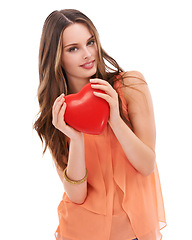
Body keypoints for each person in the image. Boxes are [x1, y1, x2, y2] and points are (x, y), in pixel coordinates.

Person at [34, 9, 166, 240]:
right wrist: (75, 138)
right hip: (80, 231)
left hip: (134, 231)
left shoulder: (130, 86)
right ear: (57, 57)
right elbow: (77, 195)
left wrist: (114, 119)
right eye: (73, 48)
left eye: (90, 42)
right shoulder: (56, 115)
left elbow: (147, 165)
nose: (87, 54)